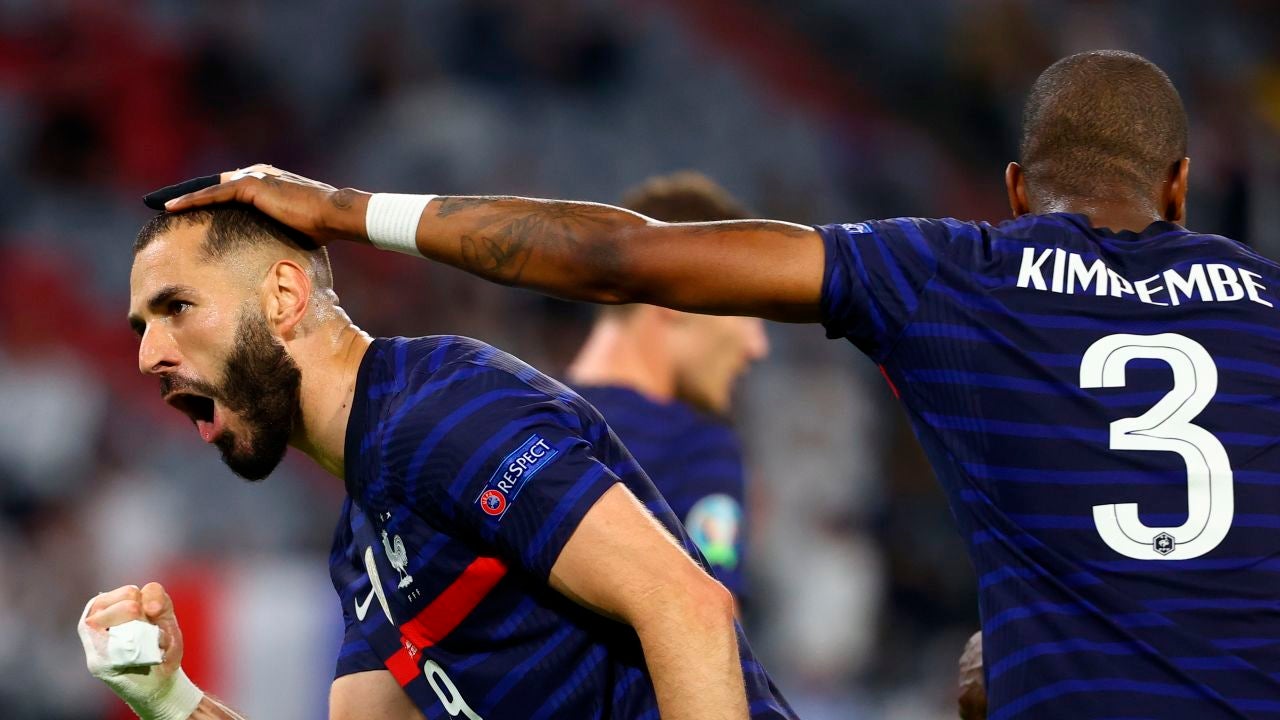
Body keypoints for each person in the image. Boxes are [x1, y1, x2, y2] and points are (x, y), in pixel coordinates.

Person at [166, 49, 1280, 717]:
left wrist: (351, 211)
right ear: (1180, 189)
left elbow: (622, 256)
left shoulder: (955, 270)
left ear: (1015, 190)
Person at [77, 201, 797, 719]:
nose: (148, 355)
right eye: (141, 327)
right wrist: (169, 698)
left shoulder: (441, 413)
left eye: (176, 307)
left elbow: (684, 607)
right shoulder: (362, 543)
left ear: (284, 296)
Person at [568, 171, 768, 602]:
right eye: (742, 305)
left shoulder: (525, 421)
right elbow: (711, 621)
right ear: (679, 295)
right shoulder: (697, 442)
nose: (757, 345)